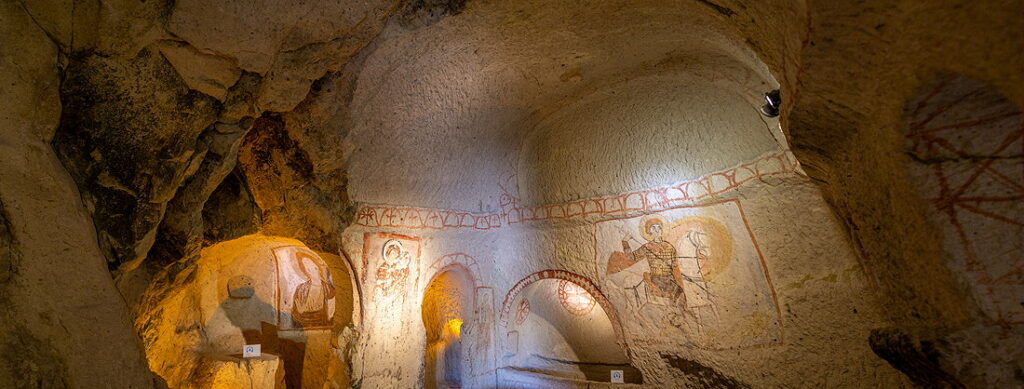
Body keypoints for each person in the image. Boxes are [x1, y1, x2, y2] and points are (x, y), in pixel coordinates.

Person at [291, 251, 335, 327]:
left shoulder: (328, 288)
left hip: (322, 322)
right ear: (305, 271)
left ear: (317, 266)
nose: (310, 269)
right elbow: (294, 314)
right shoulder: (301, 289)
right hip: (303, 323)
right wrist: (299, 311)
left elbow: (330, 314)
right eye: (306, 267)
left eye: (311, 265)